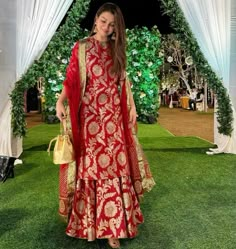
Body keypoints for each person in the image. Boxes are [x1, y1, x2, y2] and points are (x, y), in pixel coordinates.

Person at [56, 2, 155, 248]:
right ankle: (89, 225)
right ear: (96, 20)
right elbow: (70, 79)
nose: (107, 28)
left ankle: (114, 228)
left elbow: (123, 82)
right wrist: (60, 101)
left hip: (113, 119)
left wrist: (131, 109)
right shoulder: (81, 48)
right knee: (91, 169)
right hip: (88, 119)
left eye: (112, 25)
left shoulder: (116, 49)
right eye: (103, 22)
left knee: (115, 167)